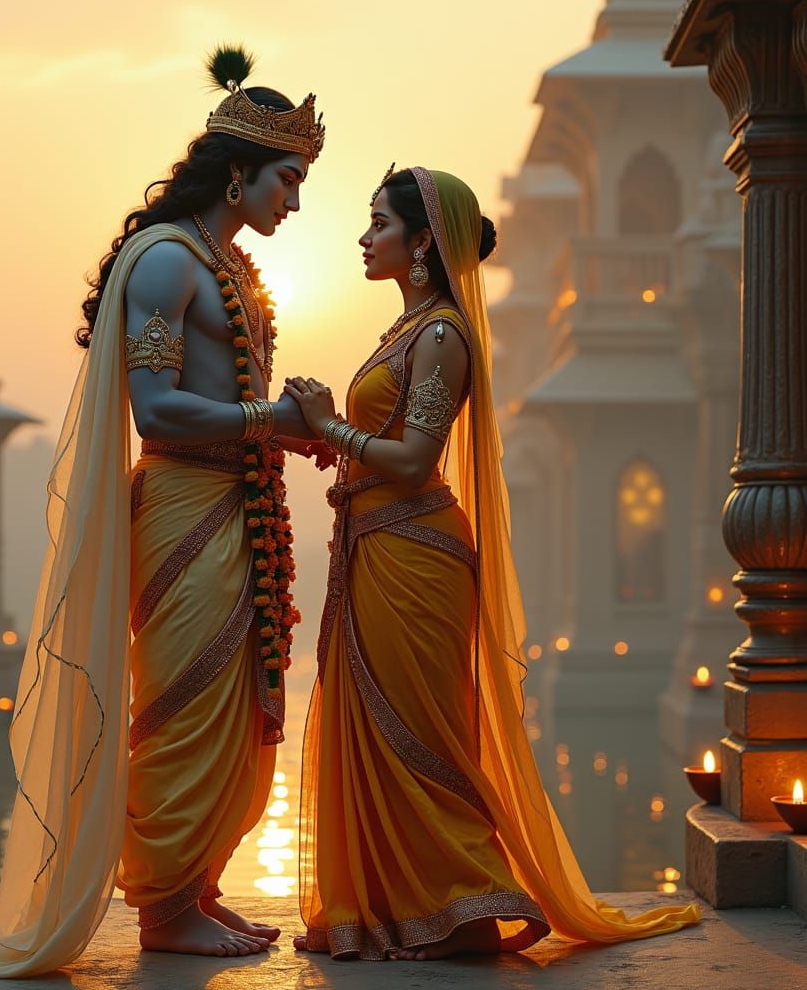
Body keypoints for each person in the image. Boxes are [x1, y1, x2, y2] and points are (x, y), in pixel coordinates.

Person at [0, 46, 325, 977]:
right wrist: (271, 420)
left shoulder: (226, 266)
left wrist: (285, 431)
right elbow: (155, 410)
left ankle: (193, 887)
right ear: (237, 172)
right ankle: (162, 907)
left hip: (239, 509)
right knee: (185, 702)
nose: (296, 202)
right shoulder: (166, 265)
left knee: (237, 706)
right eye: (286, 178)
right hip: (185, 508)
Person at [283, 166, 700, 960]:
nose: (364, 237)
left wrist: (331, 428)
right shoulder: (404, 333)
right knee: (374, 721)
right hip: (374, 548)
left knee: (419, 734)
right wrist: (325, 437)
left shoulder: (441, 335)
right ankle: (396, 905)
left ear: (422, 244)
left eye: (379, 223)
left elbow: (411, 459)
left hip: (415, 553)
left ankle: (462, 904)